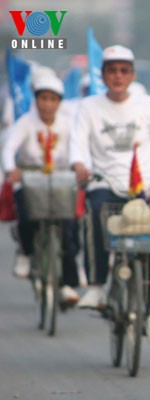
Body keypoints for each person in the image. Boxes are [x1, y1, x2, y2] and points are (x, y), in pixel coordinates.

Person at [69, 45, 150, 349]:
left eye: (123, 70)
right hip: (105, 183)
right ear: (102, 75)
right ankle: (98, 285)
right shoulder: (89, 107)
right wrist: (79, 166)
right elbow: (77, 145)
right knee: (97, 213)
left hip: (143, 187)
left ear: (132, 75)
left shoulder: (146, 105)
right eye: (111, 70)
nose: (117, 76)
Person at [1, 74, 81, 306]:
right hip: (31, 177)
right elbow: (8, 149)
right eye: (43, 98)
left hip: (60, 179)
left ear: (59, 102)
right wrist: (10, 169)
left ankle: (67, 284)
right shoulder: (26, 122)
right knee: (27, 217)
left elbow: (77, 151)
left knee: (68, 230)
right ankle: (26, 253)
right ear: (36, 100)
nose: (47, 104)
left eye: (52, 99)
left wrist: (78, 167)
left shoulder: (67, 125)